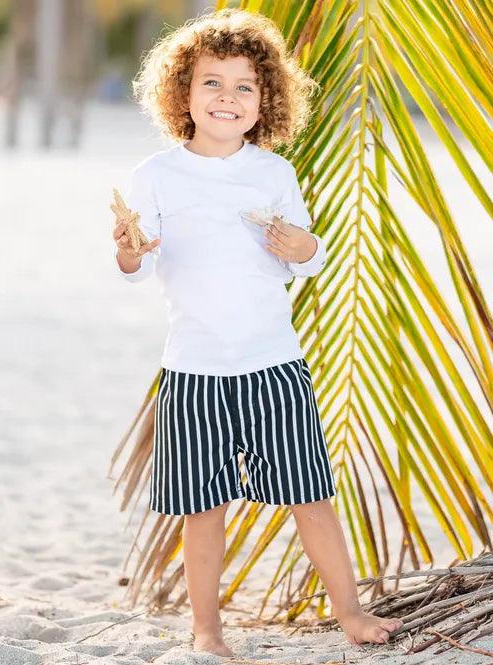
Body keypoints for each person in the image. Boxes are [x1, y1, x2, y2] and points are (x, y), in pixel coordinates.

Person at [112, 7, 403, 657]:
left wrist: (304, 244)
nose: (228, 97)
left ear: (265, 99)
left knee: (312, 494)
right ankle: (208, 629)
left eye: (245, 86)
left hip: (275, 366)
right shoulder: (156, 175)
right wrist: (129, 249)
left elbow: (305, 255)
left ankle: (350, 609)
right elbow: (138, 266)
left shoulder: (275, 174)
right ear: (181, 91)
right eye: (212, 82)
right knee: (204, 511)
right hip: (194, 372)